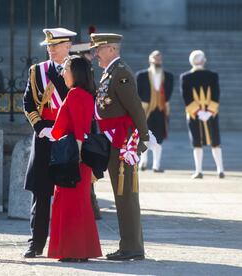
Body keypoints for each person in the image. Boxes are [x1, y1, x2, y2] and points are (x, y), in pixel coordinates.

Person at [90, 33, 149, 261]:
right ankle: (131, 244)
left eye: (99, 49)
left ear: (112, 49)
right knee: (122, 194)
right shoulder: (110, 72)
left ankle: (131, 247)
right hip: (114, 140)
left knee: (125, 195)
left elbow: (134, 107)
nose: (96, 53)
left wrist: (142, 138)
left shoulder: (120, 73)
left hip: (123, 142)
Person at [22, 27, 76, 258]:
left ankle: (66, 243)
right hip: (44, 135)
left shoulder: (80, 69)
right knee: (41, 191)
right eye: (49, 47)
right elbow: (28, 103)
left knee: (67, 191)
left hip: (66, 136)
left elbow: (81, 102)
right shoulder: (37, 71)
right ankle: (36, 243)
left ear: (68, 46)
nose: (51, 50)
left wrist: (60, 81)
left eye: (56, 46)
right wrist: (40, 127)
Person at [47, 55, 102, 262]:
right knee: (78, 205)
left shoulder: (76, 94)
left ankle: (73, 251)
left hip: (73, 156)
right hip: (75, 155)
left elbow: (79, 130)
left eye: (66, 70)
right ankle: (80, 249)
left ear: (75, 73)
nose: (62, 74)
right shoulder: (82, 93)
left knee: (70, 205)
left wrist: (75, 159)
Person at [180, 50, 225, 179]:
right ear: (204, 61)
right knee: (215, 141)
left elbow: (186, 98)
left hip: (194, 114)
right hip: (211, 113)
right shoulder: (213, 75)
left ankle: (199, 171)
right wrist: (209, 111)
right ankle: (220, 170)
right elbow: (216, 95)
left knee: (197, 143)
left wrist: (198, 112)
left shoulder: (185, 77)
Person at [69, 42, 101, 220]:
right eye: (88, 53)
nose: (92, 56)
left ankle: (91, 205)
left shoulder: (87, 73)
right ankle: (91, 206)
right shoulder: (82, 73)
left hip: (88, 127)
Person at [136, 50, 174, 172]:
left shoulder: (168, 76)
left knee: (159, 138)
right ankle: (144, 161)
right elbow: (138, 93)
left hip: (161, 109)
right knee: (144, 136)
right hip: (146, 110)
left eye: (159, 58)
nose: (157, 60)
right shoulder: (141, 76)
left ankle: (156, 165)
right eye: (155, 58)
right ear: (150, 59)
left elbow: (169, 92)